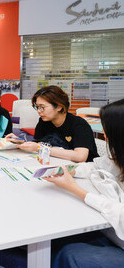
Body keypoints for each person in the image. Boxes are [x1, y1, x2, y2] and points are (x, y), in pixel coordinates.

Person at [45, 99, 124, 267]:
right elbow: (96, 166)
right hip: (112, 232)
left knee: (70, 254)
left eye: (107, 130)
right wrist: (68, 171)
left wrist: (75, 189)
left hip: (119, 240)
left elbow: (119, 214)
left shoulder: (77, 124)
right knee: (58, 238)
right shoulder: (118, 157)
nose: (104, 134)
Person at [7, 85, 98, 162]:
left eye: (42, 107)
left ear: (58, 106)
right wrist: (21, 142)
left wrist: (39, 148)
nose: (39, 111)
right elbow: (40, 144)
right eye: (37, 107)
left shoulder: (79, 125)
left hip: (85, 171)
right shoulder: (44, 121)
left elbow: (80, 157)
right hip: (57, 164)